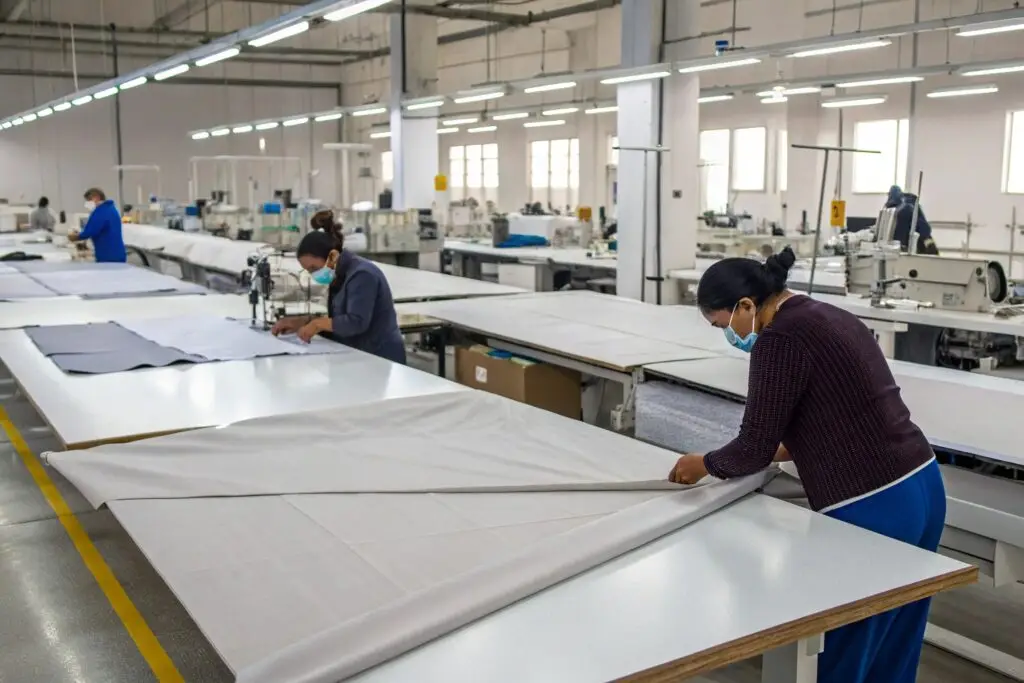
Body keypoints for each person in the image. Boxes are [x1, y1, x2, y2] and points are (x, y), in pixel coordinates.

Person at [668, 247, 945, 683]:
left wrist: (702, 463)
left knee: (844, 645)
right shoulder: (826, 315)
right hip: (923, 483)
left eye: (723, 325)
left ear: (745, 306)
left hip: (873, 503)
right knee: (896, 641)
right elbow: (824, 419)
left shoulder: (779, 341)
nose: (729, 335)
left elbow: (753, 449)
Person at [271, 211, 406, 364]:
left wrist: (316, 324)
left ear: (333, 256)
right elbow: (337, 320)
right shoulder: (339, 275)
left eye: (314, 268)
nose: (314, 274)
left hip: (379, 356)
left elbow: (356, 322)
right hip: (358, 354)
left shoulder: (363, 275)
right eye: (309, 271)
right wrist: (303, 322)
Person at [69, 188, 127, 263]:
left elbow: (90, 231)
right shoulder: (111, 209)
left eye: (89, 200)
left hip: (108, 255)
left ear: (97, 197)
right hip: (117, 253)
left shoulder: (101, 211)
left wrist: (76, 236)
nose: (87, 203)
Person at [884, 185, 939, 255]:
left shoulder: (901, 209)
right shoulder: (911, 204)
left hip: (910, 246)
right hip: (921, 242)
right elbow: (924, 227)